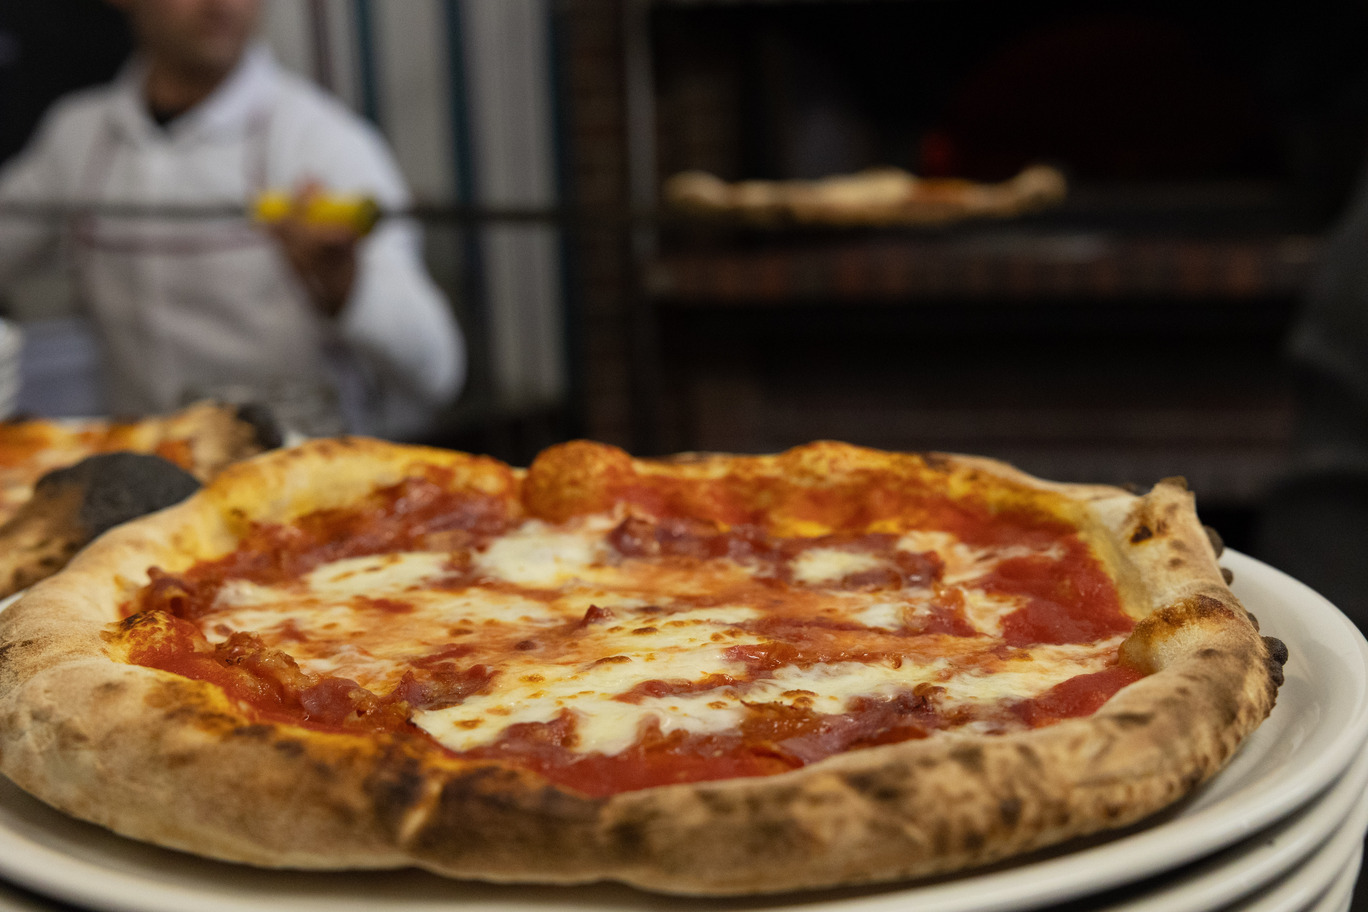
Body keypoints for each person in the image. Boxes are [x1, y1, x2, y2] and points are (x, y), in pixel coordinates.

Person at [0, 0, 465, 440]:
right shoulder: (77, 136)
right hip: (144, 477)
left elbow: (438, 369)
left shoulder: (325, 143)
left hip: (301, 480)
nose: (223, 3)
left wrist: (345, 283)